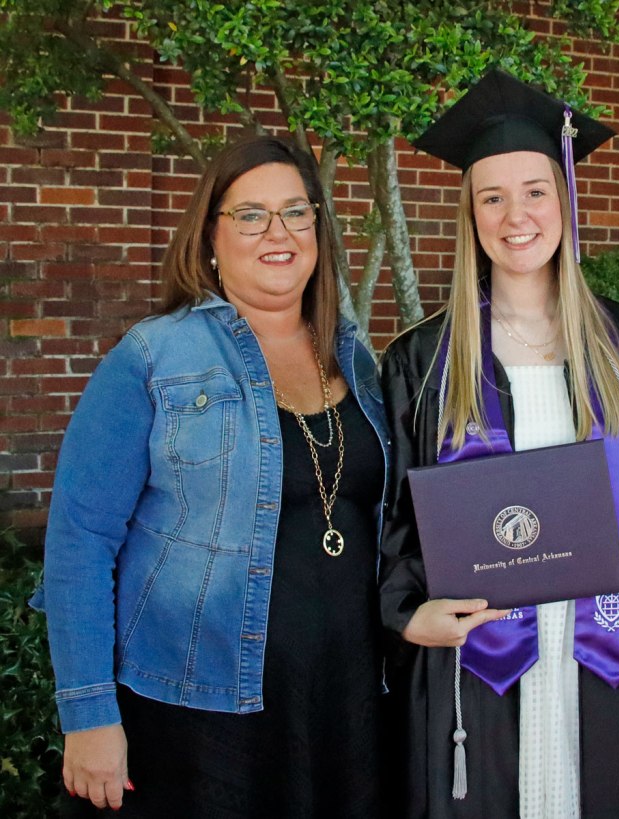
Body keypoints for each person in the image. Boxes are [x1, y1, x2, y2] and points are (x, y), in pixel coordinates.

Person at [32, 136, 390, 817]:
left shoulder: (353, 355)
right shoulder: (154, 356)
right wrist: (88, 713)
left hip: (343, 705)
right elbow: (80, 539)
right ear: (210, 238)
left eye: (296, 211)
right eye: (250, 215)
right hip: (196, 714)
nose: (278, 232)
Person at [379, 70, 619, 818]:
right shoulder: (423, 361)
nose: (516, 217)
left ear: (564, 199)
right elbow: (394, 517)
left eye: (536, 191)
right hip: (481, 659)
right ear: (469, 214)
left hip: (607, 653)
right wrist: (405, 611)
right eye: (492, 198)